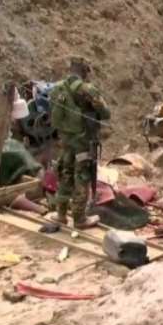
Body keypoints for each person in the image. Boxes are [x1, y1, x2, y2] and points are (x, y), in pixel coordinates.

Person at [49, 56, 110, 229]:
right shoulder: (88, 90)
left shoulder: (57, 88)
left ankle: (61, 215)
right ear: (84, 71)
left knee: (65, 173)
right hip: (83, 142)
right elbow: (105, 113)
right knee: (82, 177)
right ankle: (79, 218)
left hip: (65, 141)